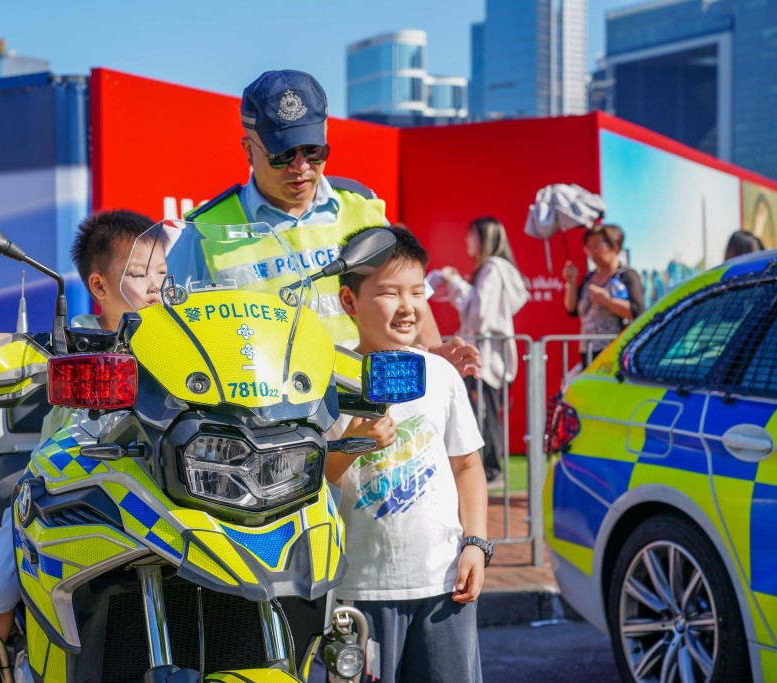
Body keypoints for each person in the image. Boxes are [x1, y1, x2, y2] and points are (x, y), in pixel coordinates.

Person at [178, 68, 479, 377]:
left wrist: (431, 354)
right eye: (282, 155)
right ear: (248, 150)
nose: (301, 166)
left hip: (364, 406)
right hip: (263, 418)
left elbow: (408, 295)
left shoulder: (364, 209)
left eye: (313, 151)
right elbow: (177, 334)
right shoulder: (204, 229)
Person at [0, 209, 164, 661]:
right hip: (63, 479)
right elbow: (28, 347)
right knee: (3, 576)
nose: (155, 286)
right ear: (99, 286)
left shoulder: (176, 342)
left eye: (163, 274)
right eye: (138, 273)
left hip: (147, 482)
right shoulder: (77, 337)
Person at [326, 226, 489, 683]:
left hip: (443, 585)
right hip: (357, 590)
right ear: (349, 301)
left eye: (418, 291)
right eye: (389, 293)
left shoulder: (441, 374)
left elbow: (468, 465)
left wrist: (476, 545)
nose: (408, 306)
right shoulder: (328, 380)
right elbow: (315, 477)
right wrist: (352, 444)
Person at [431, 217, 528, 482]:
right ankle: (489, 469)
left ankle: (491, 470)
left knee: (483, 413)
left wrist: (455, 283)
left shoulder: (493, 269)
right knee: (482, 411)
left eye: (471, 235)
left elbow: (479, 315)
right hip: (485, 354)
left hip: (484, 356)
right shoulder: (494, 269)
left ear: (484, 238)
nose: (466, 240)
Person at [562, 224, 644, 366]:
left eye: (598, 246)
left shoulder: (626, 275)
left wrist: (608, 301)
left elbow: (637, 311)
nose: (593, 252)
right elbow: (572, 309)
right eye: (589, 247)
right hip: (588, 350)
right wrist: (571, 282)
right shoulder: (589, 278)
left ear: (615, 247)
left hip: (615, 350)